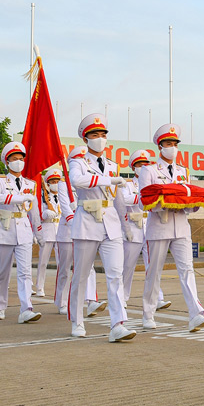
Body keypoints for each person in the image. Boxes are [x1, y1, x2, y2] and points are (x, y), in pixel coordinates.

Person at [67, 114, 136, 342]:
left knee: (115, 275)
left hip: (111, 225)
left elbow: (117, 201)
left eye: (103, 135)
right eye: (95, 135)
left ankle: (118, 324)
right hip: (87, 222)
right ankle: (77, 320)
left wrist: (125, 226)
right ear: (86, 139)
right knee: (81, 275)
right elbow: (78, 181)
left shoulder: (112, 165)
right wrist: (108, 181)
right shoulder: (78, 162)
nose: (100, 139)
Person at [139, 123, 204, 333]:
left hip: (181, 226)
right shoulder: (149, 170)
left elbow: (187, 198)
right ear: (160, 146)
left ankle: (195, 313)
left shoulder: (183, 171)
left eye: (175, 144)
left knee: (187, 269)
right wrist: (165, 202)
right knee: (154, 272)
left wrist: (194, 204)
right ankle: (148, 313)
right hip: (159, 226)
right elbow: (142, 201)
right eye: (168, 143)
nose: (172, 147)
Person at [0, 142, 42, 323]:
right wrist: (17, 197)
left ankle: (26, 308)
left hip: (23, 230)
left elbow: (33, 209)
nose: (18, 162)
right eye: (14, 159)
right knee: (2, 272)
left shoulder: (29, 184)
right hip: (5, 229)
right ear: (7, 162)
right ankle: (0, 305)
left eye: (21, 159)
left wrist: (39, 233)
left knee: (25, 272)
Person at [52, 147, 102, 318]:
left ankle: (91, 300)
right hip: (67, 233)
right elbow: (65, 208)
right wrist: (76, 220)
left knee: (89, 266)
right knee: (65, 269)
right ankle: (61, 300)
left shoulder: (91, 180)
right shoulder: (63, 183)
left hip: (86, 229)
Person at [117, 150, 169, 308]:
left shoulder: (154, 184)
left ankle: (157, 298)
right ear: (134, 168)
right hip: (133, 229)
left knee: (152, 264)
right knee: (128, 265)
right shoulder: (128, 185)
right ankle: (123, 297)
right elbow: (123, 199)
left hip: (151, 227)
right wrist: (142, 197)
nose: (143, 167)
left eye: (146, 164)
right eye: (140, 165)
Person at [34, 168, 63, 298]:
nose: (55, 183)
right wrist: (45, 213)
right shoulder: (43, 197)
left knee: (62, 263)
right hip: (48, 230)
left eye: (57, 181)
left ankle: (61, 289)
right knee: (43, 262)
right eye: (53, 181)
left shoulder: (65, 196)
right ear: (48, 183)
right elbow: (38, 214)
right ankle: (40, 287)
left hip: (62, 231)